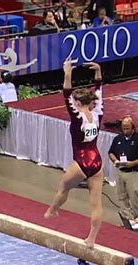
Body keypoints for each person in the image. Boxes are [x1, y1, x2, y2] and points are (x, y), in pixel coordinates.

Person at [44, 60, 104, 249]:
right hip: (97, 161)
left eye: (75, 103)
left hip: (82, 161)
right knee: (96, 203)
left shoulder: (78, 116)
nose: (74, 105)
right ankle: (91, 239)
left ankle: (53, 211)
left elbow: (66, 94)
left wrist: (67, 73)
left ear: (78, 103)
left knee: (63, 187)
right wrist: (99, 73)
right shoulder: (97, 113)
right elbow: (99, 92)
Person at [108, 116, 138, 221]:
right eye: (123, 128)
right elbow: (111, 152)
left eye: (127, 128)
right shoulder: (118, 138)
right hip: (120, 171)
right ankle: (127, 217)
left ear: (133, 127)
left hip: (133, 172)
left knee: (134, 196)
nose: (125, 130)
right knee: (122, 195)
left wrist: (132, 163)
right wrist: (115, 161)